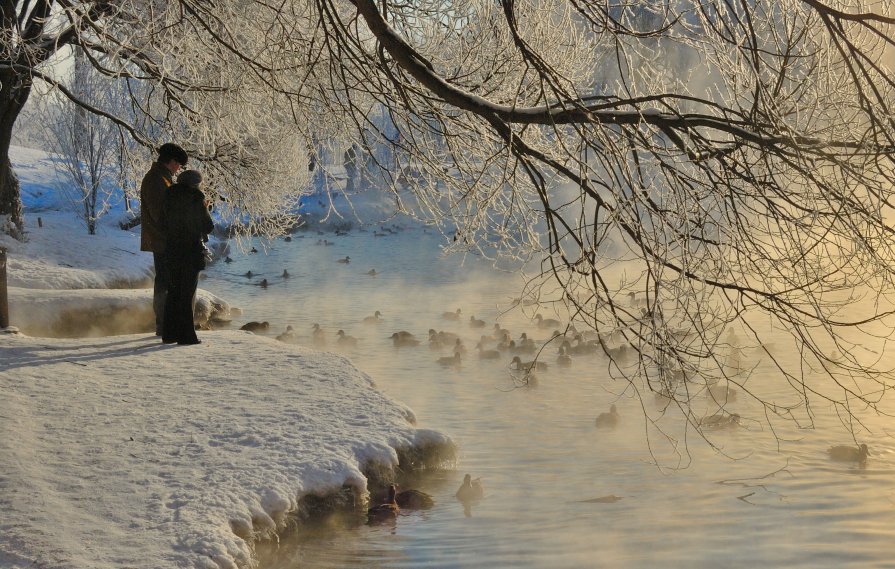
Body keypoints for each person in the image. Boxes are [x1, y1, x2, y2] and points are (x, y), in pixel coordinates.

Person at [161, 169, 214, 345]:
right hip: (190, 252)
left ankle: (169, 334)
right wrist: (206, 208)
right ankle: (186, 336)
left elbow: (162, 222)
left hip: (171, 251)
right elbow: (207, 226)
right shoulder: (196, 197)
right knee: (186, 294)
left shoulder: (168, 195)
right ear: (195, 184)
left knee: (173, 292)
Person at [140, 143, 188, 335]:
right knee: (164, 283)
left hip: (165, 240)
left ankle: (167, 323)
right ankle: (164, 324)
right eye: (179, 165)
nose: (179, 169)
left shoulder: (163, 179)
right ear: (171, 161)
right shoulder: (156, 180)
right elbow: (161, 214)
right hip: (163, 241)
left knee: (167, 282)